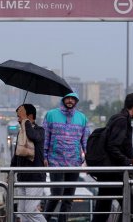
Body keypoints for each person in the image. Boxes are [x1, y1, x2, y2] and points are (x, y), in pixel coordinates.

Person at [91, 93, 133, 222]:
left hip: (109, 172)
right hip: (113, 173)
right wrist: (129, 161)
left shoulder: (117, 118)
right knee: (130, 211)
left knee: (102, 211)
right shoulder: (121, 121)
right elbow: (112, 146)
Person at [43, 92, 90, 222]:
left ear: (76, 101)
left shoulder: (82, 118)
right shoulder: (51, 115)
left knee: (69, 197)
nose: (70, 101)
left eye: (73, 99)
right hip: (55, 161)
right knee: (56, 194)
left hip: (74, 162)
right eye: (67, 98)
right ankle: (44, 219)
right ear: (63, 99)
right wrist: (44, 156)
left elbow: (85, 141)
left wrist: (88, 158)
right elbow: (45, 137)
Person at [10, 104, 46, 222]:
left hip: (35, 177)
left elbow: (33, 136)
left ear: (29, 116)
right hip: (22, 177)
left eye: (20, 116)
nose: (18, 120)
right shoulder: (21, 133)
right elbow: (16, 155)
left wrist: (25, 121)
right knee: (22, 212)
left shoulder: (39, 130)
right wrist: (10, 173)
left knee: (30, 210)